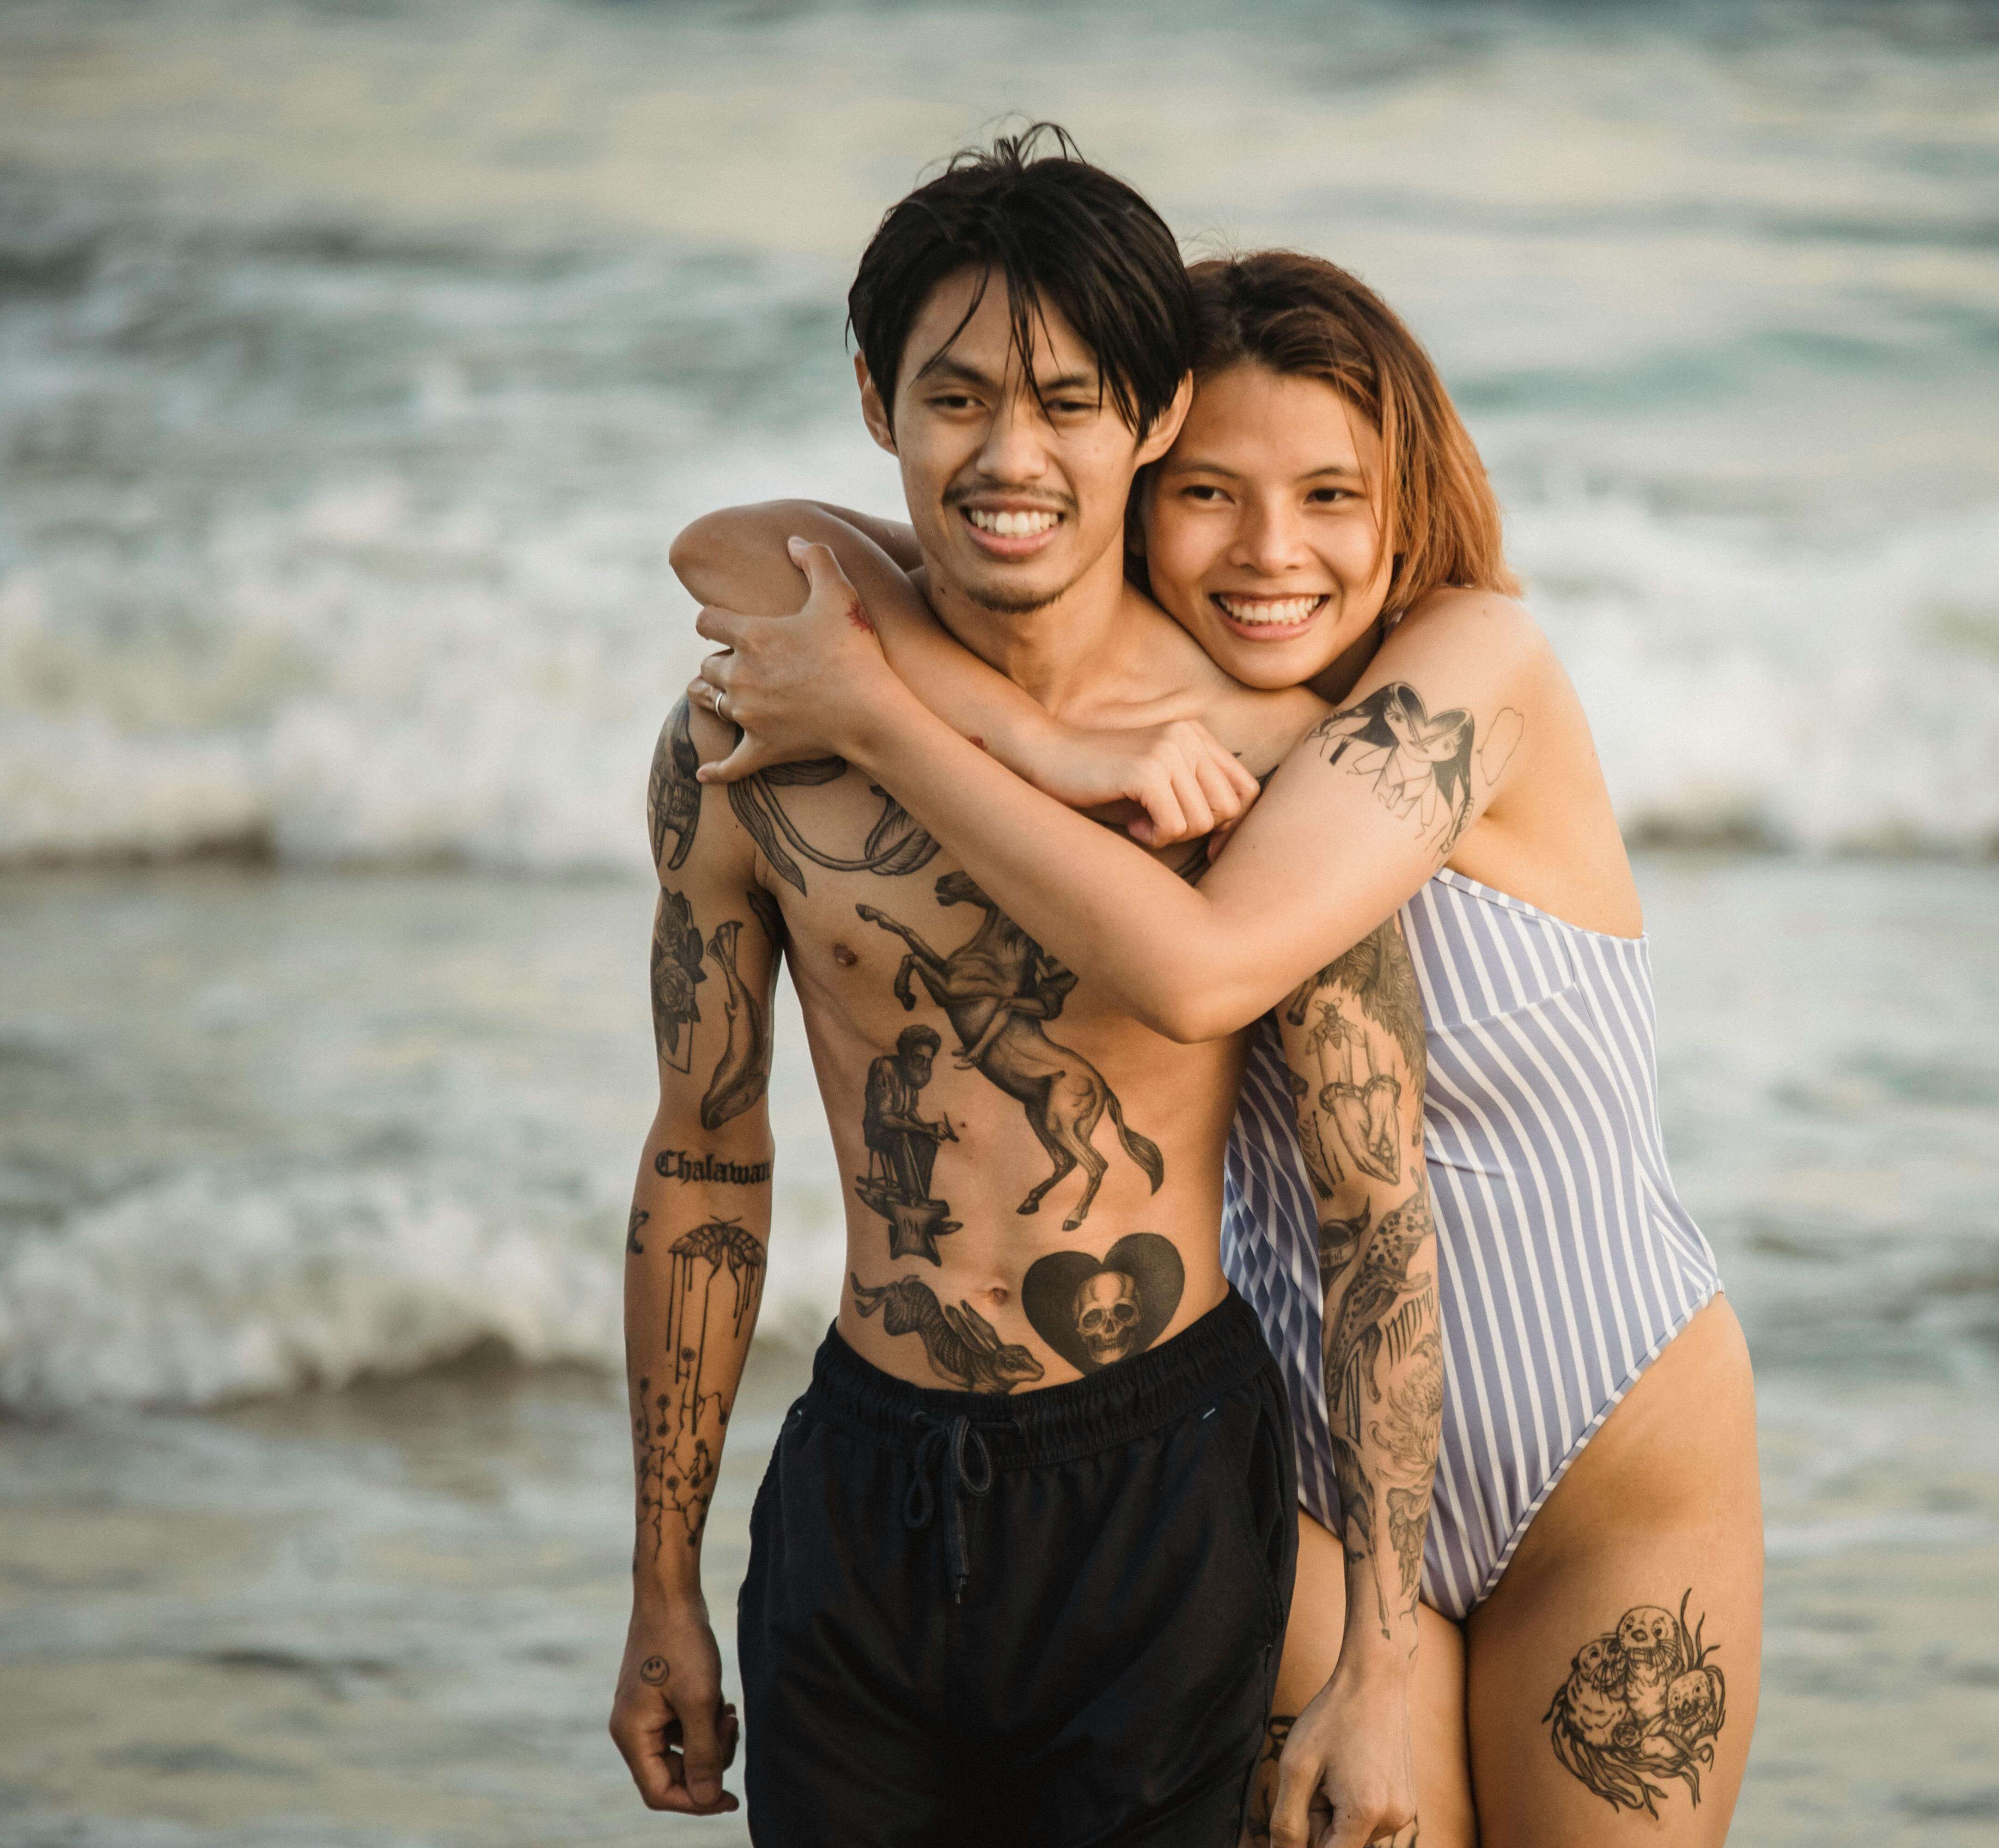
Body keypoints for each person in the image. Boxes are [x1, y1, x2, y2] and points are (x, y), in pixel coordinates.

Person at [678, 249, 1764, 1845]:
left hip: (1596, 1468)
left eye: (1333, 494)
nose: (1273, 553)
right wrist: (1029, 714)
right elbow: (733, 549)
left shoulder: (1474, 670)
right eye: (1208, 493)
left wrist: (928, 720)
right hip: (1313, 1485)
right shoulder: (1128, 699)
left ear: (1409, 501)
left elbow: (1208, 969)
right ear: (1131, 483)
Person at [609, 132, 1446, 1848]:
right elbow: (705, 1153)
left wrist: (1376, 1665)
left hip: (1160, 1482)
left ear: (1150, 420)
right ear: (874, 400)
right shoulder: (756, 737)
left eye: (1069, 402)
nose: (1011, 456)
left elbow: (1379, 1215)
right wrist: (663, 1590)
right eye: (956, 396)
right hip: (863, 1483)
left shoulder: (1257, 763)